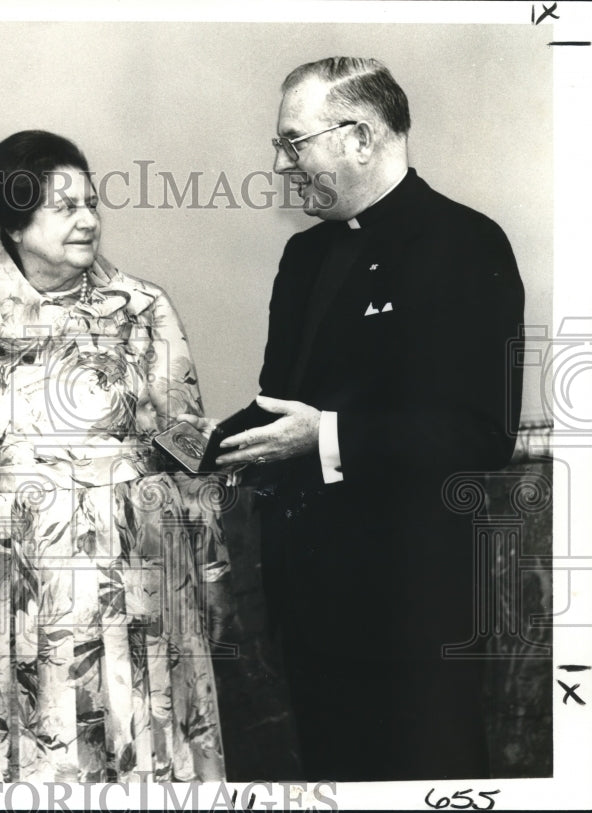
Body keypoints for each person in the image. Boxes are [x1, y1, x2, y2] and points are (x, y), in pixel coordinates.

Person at [194, 58, 524, 781]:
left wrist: (328, 437)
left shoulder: (467, 245)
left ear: (362, 137)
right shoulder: (303, 254)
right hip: (307, 601)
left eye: (292, 143)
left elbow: (481, 433)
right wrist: (191, 438)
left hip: (415, 608)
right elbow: (281, 402)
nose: (281, 165)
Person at [0, 130, 228, 782]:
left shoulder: (142, 308)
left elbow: (188, 439)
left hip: (137, 583)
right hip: (16, 594)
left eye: (92, 202)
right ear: (16, 221)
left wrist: (211, 565)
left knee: (143, 757)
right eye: (64, 207)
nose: (88, 220)